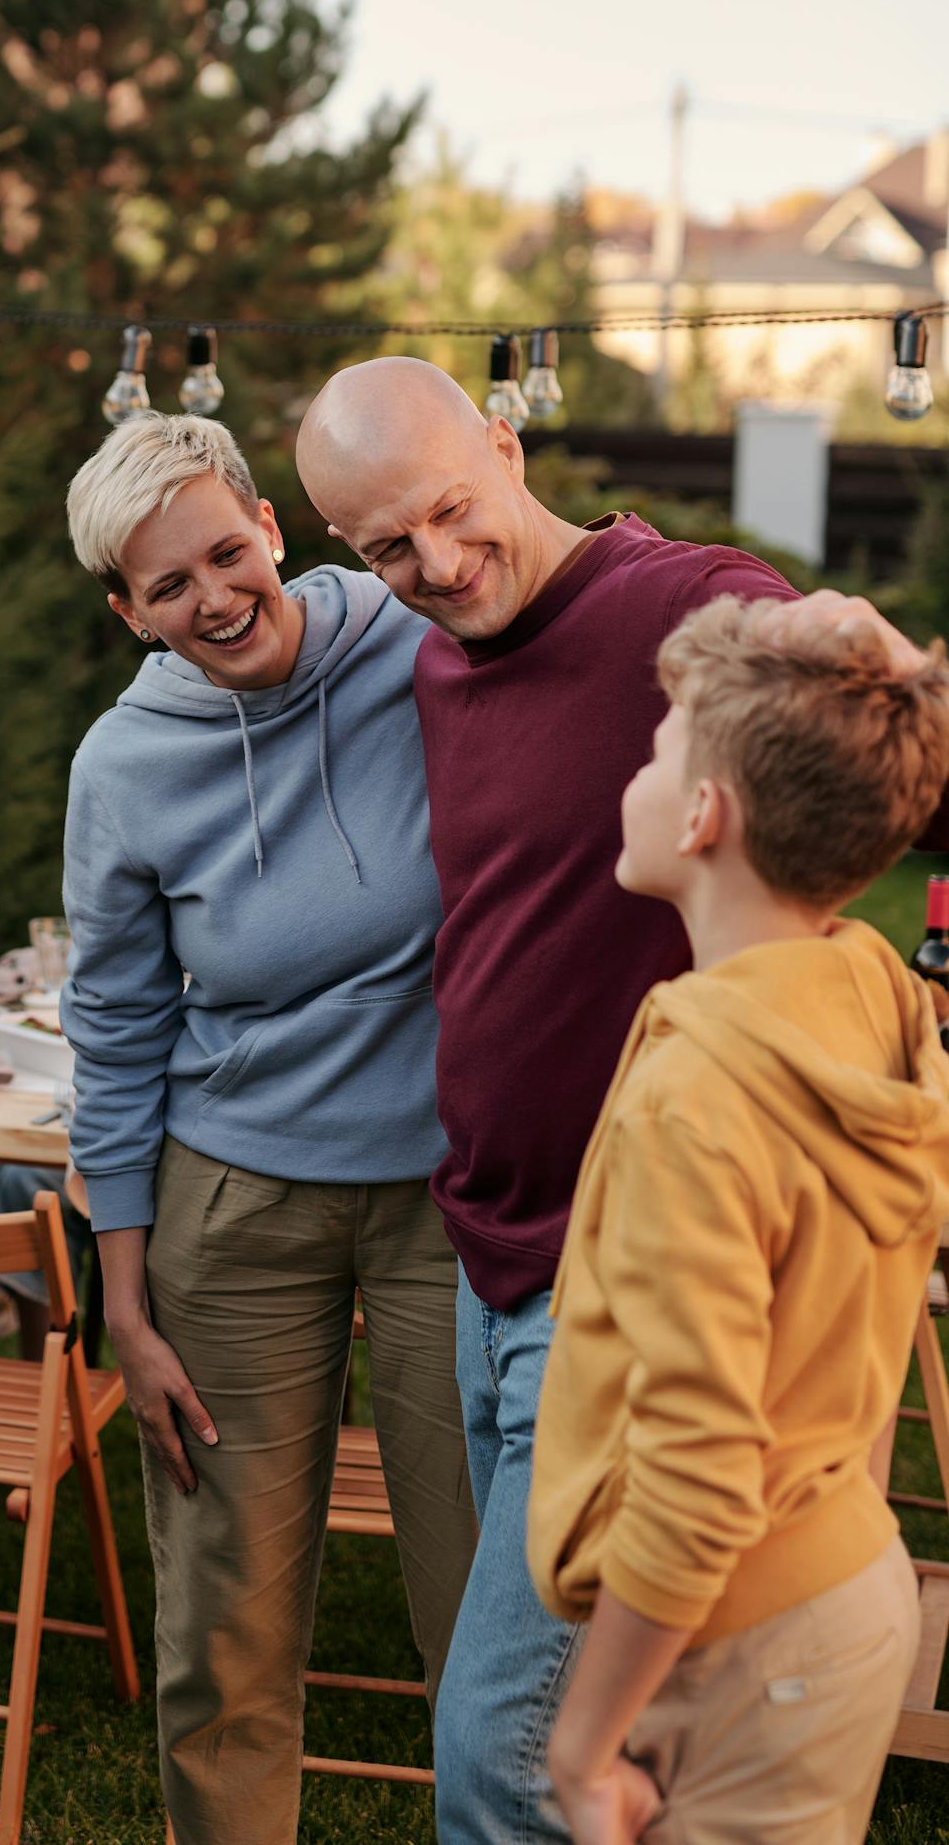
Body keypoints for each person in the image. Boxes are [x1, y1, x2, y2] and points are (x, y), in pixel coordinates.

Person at [294, 355, 918, 1845]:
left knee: (501, 1755)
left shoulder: (689, 607)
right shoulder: (433, 651)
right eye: (385, 547)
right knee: (580, 1706)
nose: (433, 566)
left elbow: (892, 767)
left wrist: (894, 667)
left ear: (505, 447)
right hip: (485, 1254)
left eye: (451, 511)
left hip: (623, 1266)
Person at [60, 411, 477, 1845]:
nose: (212, 599)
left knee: (485, 1606)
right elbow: (112, 1029)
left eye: (224, 553)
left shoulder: (421, 646)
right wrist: (123, 1293)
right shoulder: (122, 767)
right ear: (127, 611)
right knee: (221, 1630)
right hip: (229, 1212)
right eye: (165, 587)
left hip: (449, 1198)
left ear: (269, 525)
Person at [530, 595, 949, 1844]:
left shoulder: (695, 1094)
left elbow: (697, 1470)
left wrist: (579, 1742)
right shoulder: (869, 987)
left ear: (703, 815)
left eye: (659, 748)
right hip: (845, 1583)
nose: (639, 767)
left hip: (745, 1644)